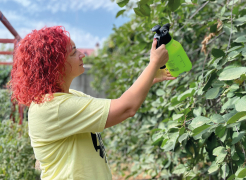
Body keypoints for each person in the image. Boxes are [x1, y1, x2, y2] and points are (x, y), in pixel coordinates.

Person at [8, 26, 176, 180]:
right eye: (73, 52)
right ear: (55, 65)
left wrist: (150, 77)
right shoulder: (54, 107)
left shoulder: (71, 96)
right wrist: (153, 63)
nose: (82, 54)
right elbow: (126, 108)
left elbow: (117, 105)